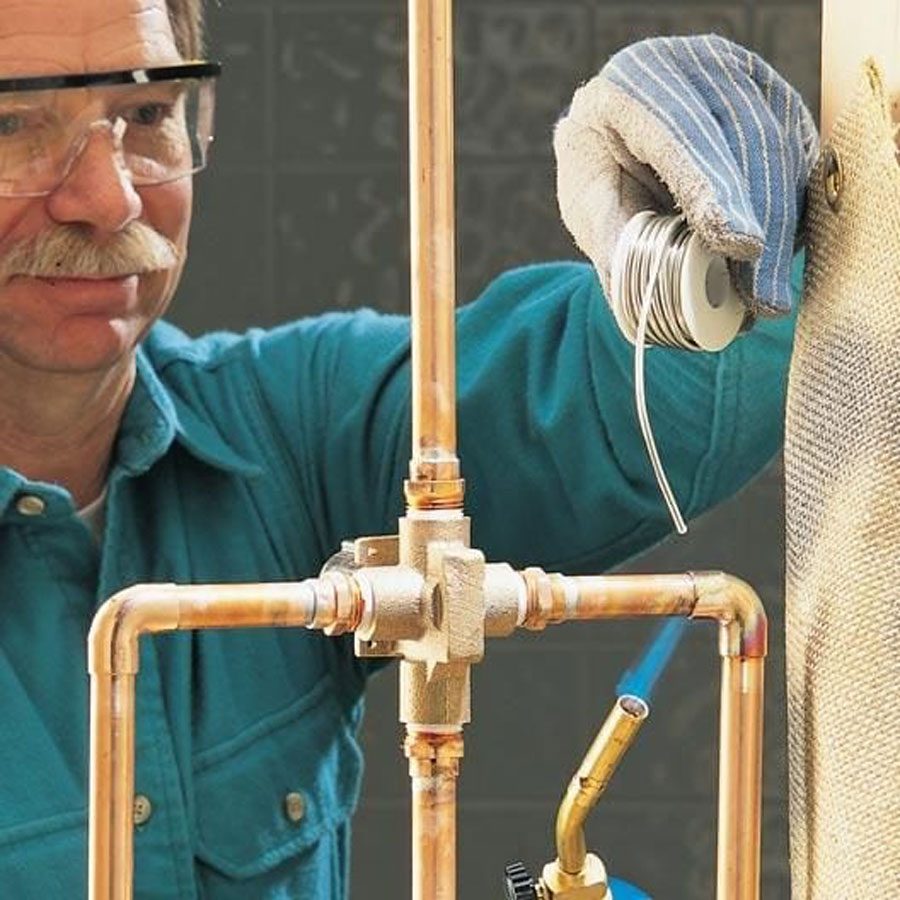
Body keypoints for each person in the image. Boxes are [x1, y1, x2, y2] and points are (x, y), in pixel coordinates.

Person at [0, 2, 811, 898]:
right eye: (12, 124)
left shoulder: (289, 434)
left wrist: (723, 225)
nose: (107, 198)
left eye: (148, 114)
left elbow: (643, 401)